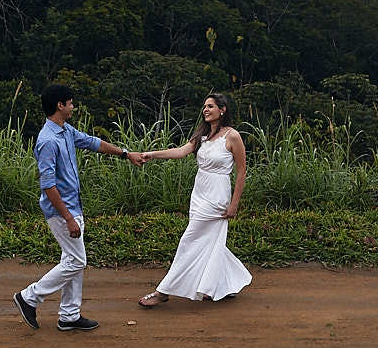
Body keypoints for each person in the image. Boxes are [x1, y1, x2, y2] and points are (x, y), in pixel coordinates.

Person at [14, 83, 145, 331]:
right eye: (70, 102)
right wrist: (68, 219)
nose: (73, 106)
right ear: (59, 105)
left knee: (71, 259)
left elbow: (93, 143)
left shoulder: (65, 131)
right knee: (76, 261)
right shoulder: (48, 141)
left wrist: (126, 154)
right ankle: (29, 297)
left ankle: (69, 315)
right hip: (62, 211)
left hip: (73, 207)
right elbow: (48, 185)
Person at [137, 93, 252, 308]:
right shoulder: (202, 134)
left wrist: (234, 204)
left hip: (218, 193)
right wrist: (153, 154)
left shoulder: (232, 136)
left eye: (210, 106)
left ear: (222, 109)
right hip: (199, 192)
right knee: (209, 239)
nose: (205, 110)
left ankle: (163, 291)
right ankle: (225, 284)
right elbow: (181, 152)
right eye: (204, 106)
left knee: (189, 240)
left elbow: (241, 171)